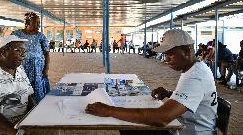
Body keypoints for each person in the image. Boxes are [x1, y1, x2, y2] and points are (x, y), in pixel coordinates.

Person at [86, 29, 217, 135]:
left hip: (192, 131)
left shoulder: (196, 76)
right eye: (165, 55)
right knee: (131, 120)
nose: (166, 59)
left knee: (130, 124)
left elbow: (162, 118)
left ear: (187, 51)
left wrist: (109, 110)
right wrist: (170, 94)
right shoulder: (196, 68)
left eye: (170, 54)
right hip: (185, 125)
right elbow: (194, 96)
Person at [12, 12, 50, 103]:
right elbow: (10, 50)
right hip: (21, 67)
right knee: (22, 87)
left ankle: (36, 107)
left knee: (36, 90)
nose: (38, 25)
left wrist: (45, 70)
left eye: (39, 23)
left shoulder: (41, 36)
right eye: (36, 23)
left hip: (37, 69)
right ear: (28, 22)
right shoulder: (16, 34)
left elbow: (47, 54)